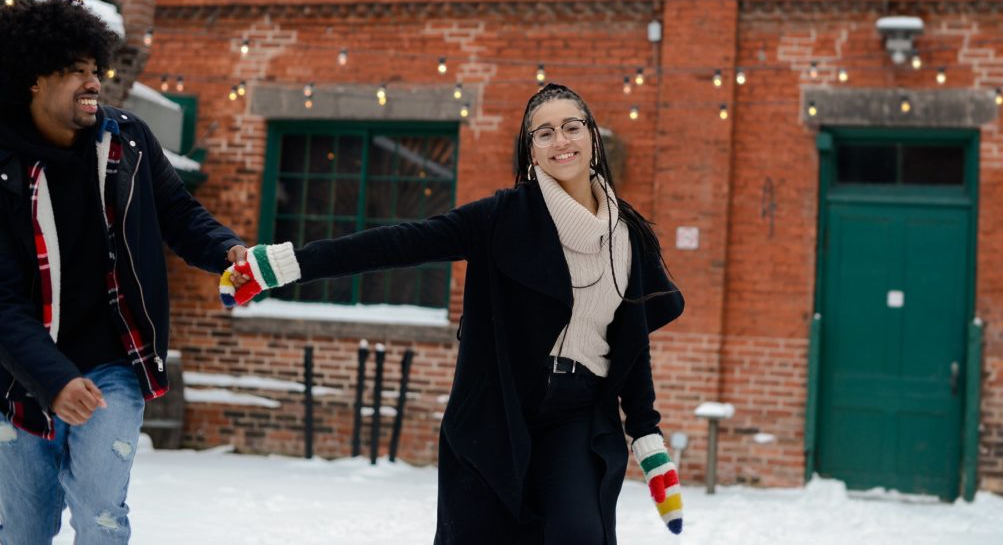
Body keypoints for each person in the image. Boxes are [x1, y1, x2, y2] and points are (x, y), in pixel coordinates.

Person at [223, 83, 685, 544]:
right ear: (531, 151)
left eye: (571, 127)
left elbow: (631, 344)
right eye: (544, 133)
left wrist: (649, 440)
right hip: (498, 410)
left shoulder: (628, 236)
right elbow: (399, 242)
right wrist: (283, 265)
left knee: (579, 533)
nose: (560, 141)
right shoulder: (502, 217)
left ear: (592, 138)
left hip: (579, 415)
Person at [0, 0, 246, 544]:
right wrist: (55, 379)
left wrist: (225, 248)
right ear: (33, 80)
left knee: (102, 516)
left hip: (116, 362)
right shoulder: (5, 167)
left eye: (94, 70)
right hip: (18, 378)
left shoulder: (126, 140)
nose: (92, 83)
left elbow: (179, 213)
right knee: (24, 529)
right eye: (73, 72)